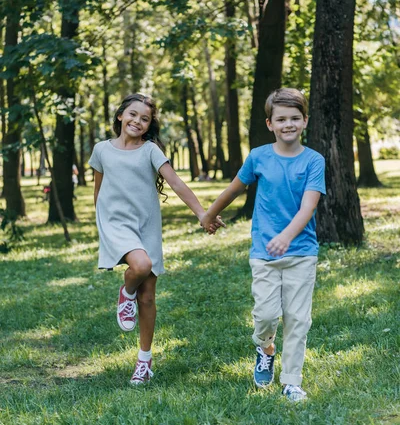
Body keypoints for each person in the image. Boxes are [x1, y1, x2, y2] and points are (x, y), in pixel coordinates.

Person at [88, 93, 223, 387]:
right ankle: (126, 292)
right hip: (116, 223)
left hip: (146, 225)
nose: (137, 121)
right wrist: (103, 228)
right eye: (133, 114)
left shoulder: (150, 150)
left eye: (145, 118)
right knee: (140, 264)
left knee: (148, 297)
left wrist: (203, 213)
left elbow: (175, 182)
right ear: (121, 115)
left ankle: (144, 362)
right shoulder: (102, 150)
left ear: (149, 126)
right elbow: (98, 191)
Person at [201, 88, 326, 402]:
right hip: (264, 253)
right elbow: (234, 189)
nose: (288, 124)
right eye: (281, 119)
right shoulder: (258, 156)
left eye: (295, 118)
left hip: (302, 251)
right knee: (267, 316)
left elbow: (308, 207)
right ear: (270, 123)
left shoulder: (314, 160)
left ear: (305, 121)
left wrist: (286, 236)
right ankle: (266, 347)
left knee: (298, 318)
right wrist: (209, 215)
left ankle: (292, 382)